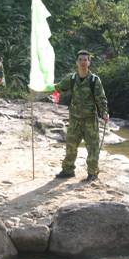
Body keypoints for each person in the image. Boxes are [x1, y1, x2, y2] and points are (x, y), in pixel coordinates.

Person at [47, 50, 109, 182]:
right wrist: (41, 87)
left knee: (92, 148)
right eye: (80, 59)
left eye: (85, 60)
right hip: (74, 119)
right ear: (76, 62)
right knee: (71, 146)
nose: (82, 62)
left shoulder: (94, 80)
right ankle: (68, 170)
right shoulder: (71, 78)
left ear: (89, 62)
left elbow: (101, 98)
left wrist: (104, 112)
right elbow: (58, 87)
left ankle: (92, 173)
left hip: (90, 120)